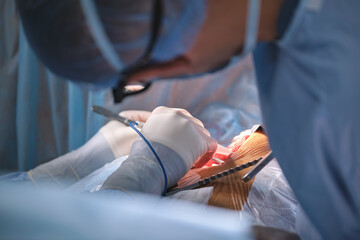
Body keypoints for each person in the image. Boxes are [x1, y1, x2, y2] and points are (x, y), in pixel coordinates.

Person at [12, 0, 360, 239]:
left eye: (150, 57)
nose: (172, 71)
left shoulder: (343, 90)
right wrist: (64, 173)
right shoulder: (284, 31)